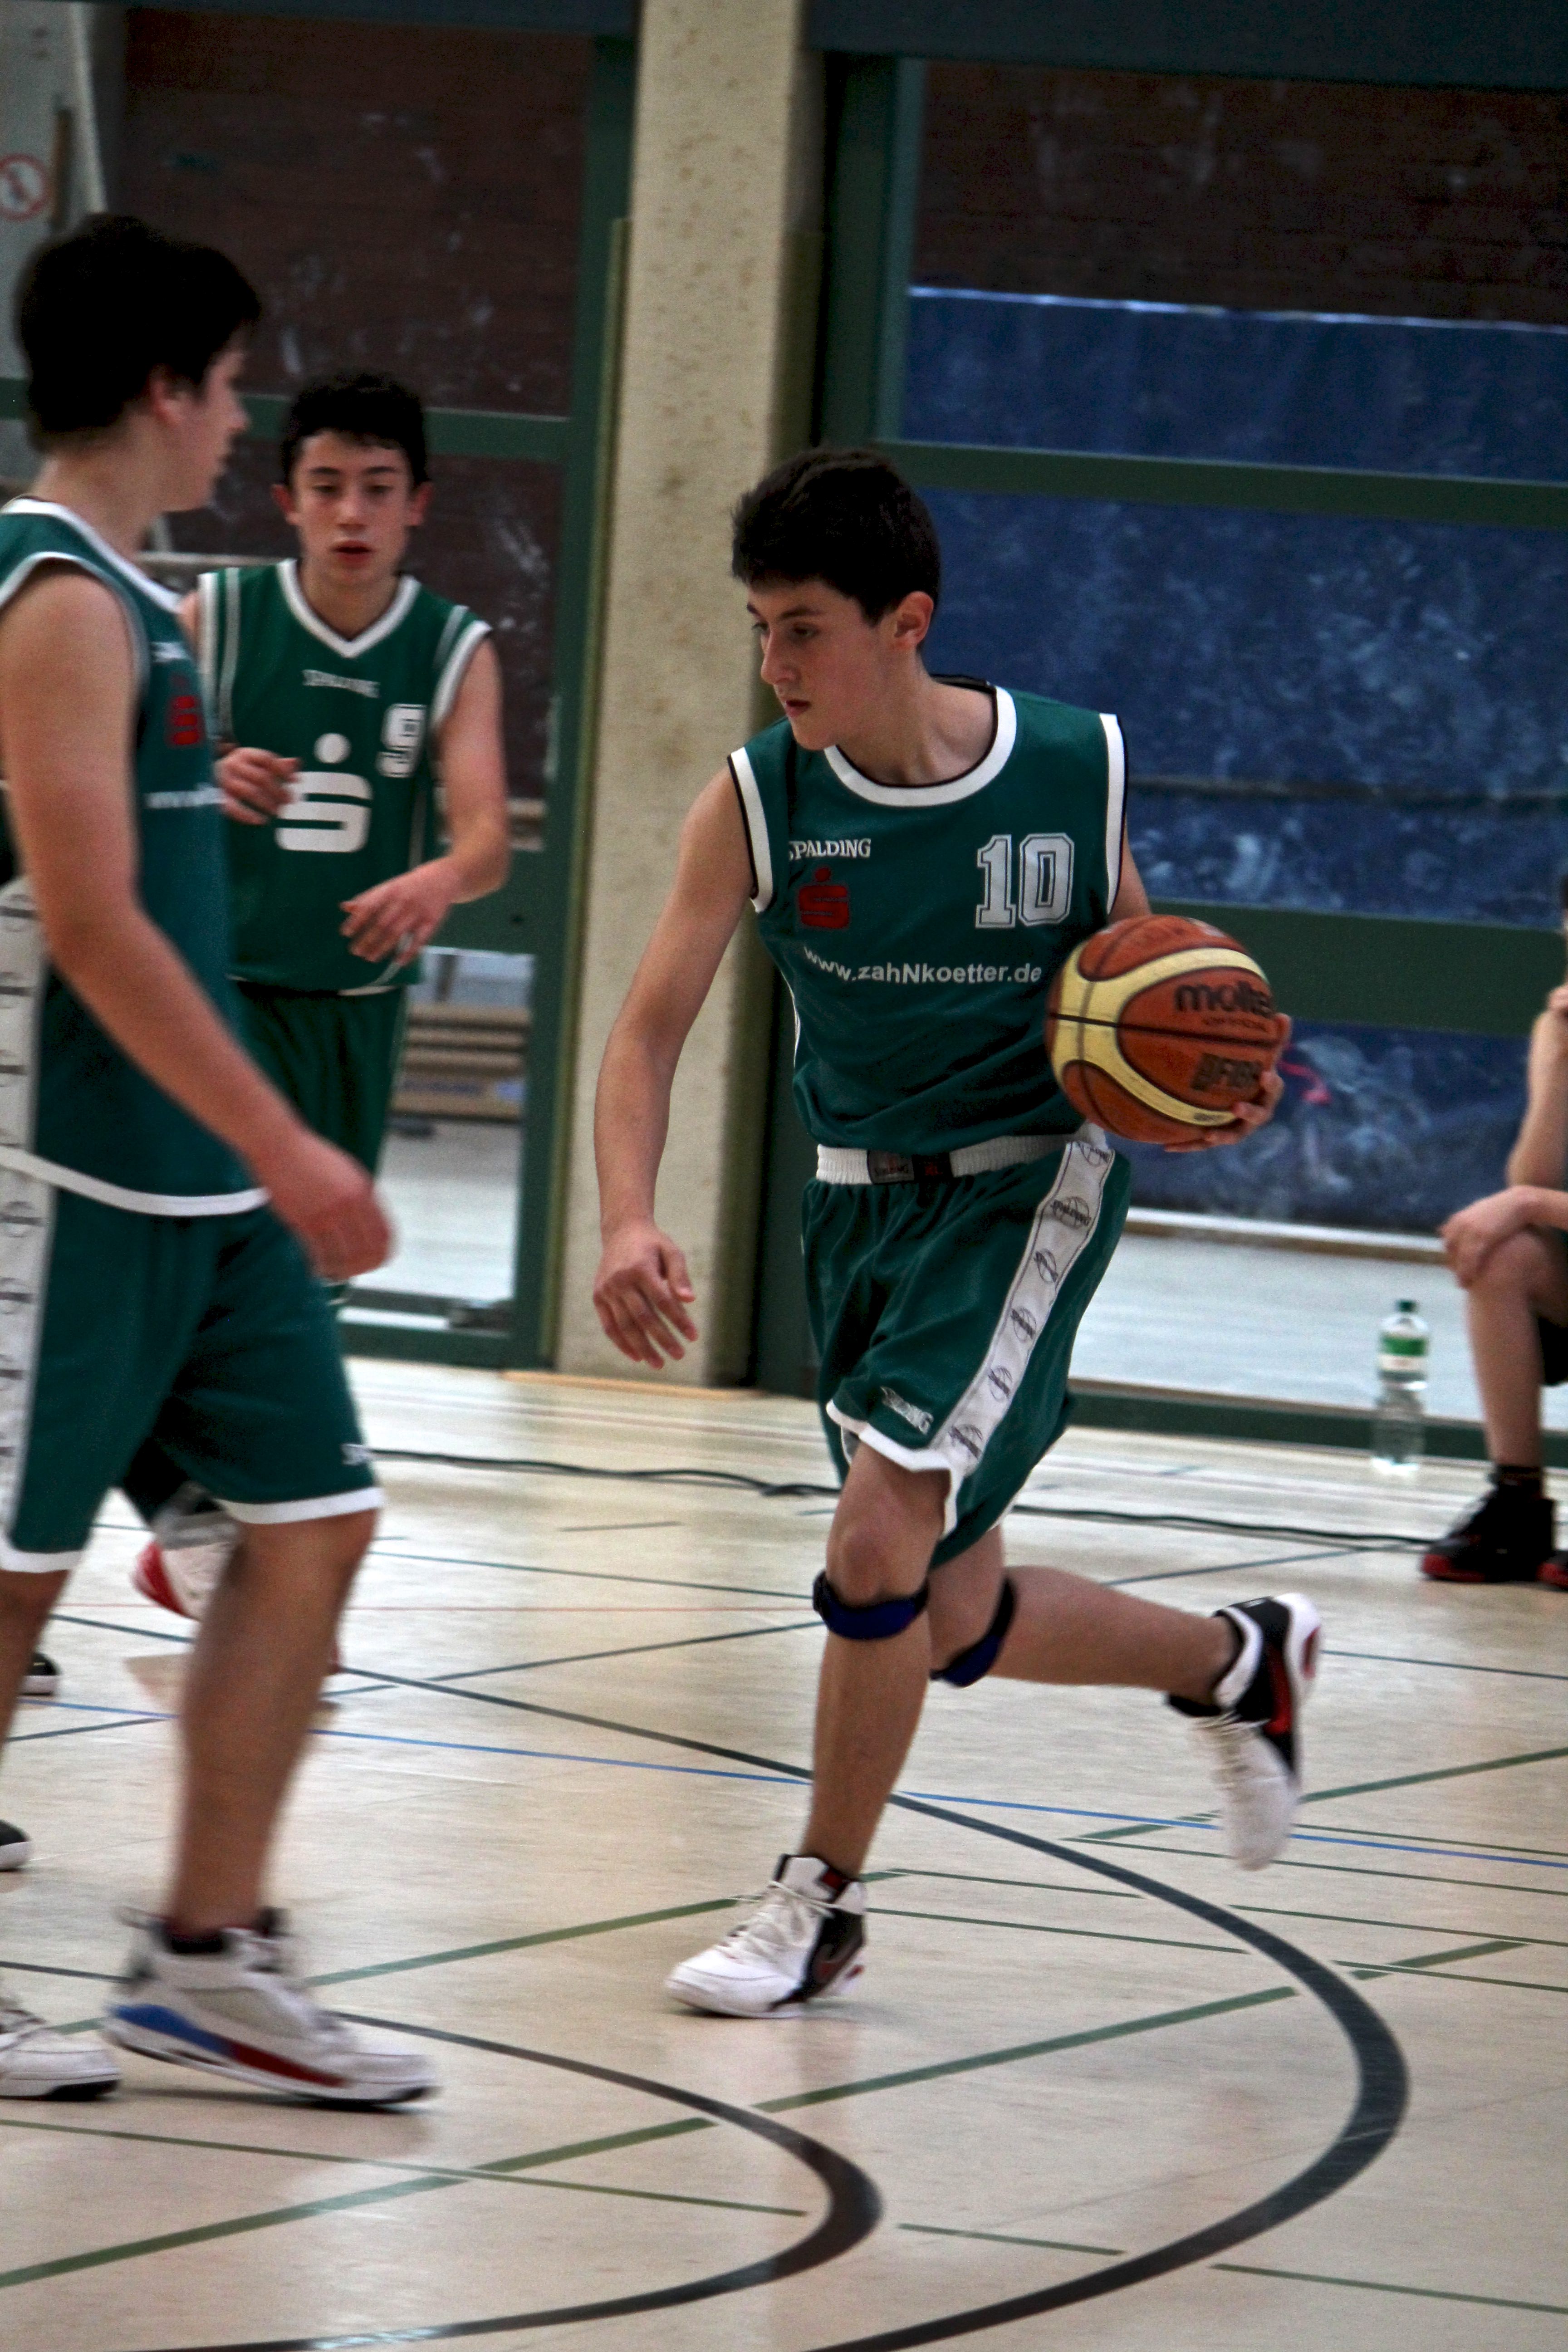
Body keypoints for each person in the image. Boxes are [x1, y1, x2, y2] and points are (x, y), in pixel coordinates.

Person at [592, 447, 1318, 2018]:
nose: (774, 665)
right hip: (858, 1205)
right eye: (760, 629)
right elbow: (645, 1034)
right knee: (948, 1611)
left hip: (1024, 1186)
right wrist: (628, 1217)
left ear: (904, 622)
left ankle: (817, 1904)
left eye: (803, 629)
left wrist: (1215, 1077)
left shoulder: (1066, 770)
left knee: (874, 1542)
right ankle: (1235, 1659)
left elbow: (1151, 976)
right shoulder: (758, 802)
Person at [0, 215, 434, 2102]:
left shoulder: (140, 599)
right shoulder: (54, 598)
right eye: (234, 384)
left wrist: (253, 1157)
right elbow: (93, 924)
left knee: (313, 1522)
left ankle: (200, 1958)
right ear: (164, 387)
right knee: (10, 1588)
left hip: (205, 1191)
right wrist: (295, 1143)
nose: (244, 419)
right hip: (68, 1177)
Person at [127, 369, 509, 1623]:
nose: (353, 512)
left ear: (419, 505)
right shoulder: (217, 617)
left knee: (297, 1296)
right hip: (221, 1005)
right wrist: (199, 764)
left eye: (379, 489)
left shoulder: (451, 647)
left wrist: (437, 879)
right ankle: (199, 1533)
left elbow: (485, 837)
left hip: (354, 1016)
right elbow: (123, 764)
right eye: (329, 486)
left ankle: (203, 1529)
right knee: (180, 1277)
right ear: (287, 499)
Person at [1422, 960, 1568, 1587]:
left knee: (1514, 1214)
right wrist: (1561, 1062)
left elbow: (1530, 1196)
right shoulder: (1555, 1028)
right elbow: (1535, 1177)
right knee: (1500, 1252)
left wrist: (1528, 1202)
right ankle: (1518, 1503)